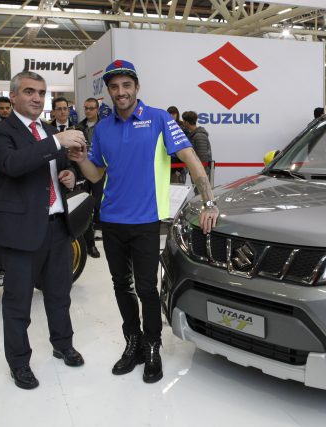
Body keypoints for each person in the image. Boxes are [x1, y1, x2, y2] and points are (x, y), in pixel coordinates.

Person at [69, 59, 219, 384]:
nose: (120, 92)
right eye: (114, 87)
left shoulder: (159, 119)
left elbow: (191, 159)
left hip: (146, 222)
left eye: (126, 85)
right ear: (109, 91)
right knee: (120, 285)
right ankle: (133, 342)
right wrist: (81, 161)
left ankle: (152, 345)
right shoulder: (103, 128)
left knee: (147, 288)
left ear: (136, 87)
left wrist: (209, 201)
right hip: (111, 221)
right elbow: (95, 174)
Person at [0, 70, 87, 390]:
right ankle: (19, 363)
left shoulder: (48, 130)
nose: (37, 98)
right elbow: (13, 164)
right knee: (18, 303)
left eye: (41, 93)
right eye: (29, 91)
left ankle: (63, 344)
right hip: (21, 231)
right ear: (13, 95)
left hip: (57, 227)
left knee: (59, 295)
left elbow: (60, 169)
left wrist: (69, 176)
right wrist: (56, 141)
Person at [73, 97, 102, 259]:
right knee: (84, 204)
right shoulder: (78, 127)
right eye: (86, 108)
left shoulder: (105, 126)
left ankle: (98, 229)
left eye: (91, 108)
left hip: (99, 170)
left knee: (98, 202)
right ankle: (88, 242)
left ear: (97, 109)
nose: (88, 111)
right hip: (82, 172)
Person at [182, 111, 212, 180]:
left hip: (200, 173)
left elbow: (203, 157)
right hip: (196, 171)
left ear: (187, 122)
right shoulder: (192, 135)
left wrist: (200, 174)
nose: (183, 123)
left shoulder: (199, 136)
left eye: (184, 121)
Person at [167, 106, 186, 183]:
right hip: (167, 164)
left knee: (178, 187)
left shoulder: (182, 127)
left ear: (177, 114)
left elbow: (185, 149)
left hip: (178, 165)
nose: (172, 116)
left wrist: (179, 169)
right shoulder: (165, 126)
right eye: (170, 114)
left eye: (174, 114)